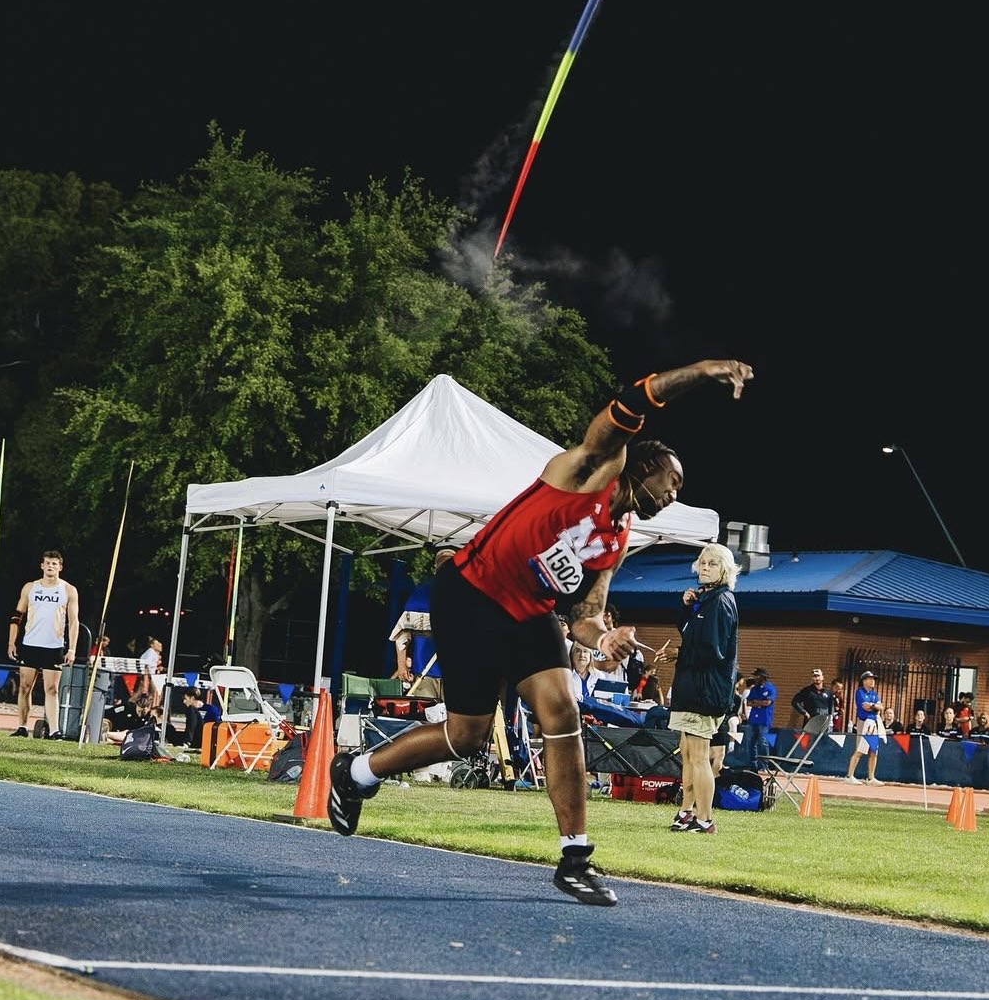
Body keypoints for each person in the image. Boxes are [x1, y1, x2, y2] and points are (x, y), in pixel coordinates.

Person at [327, 358, 754, 905]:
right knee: (467, 737)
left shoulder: (614, 542)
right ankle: (358, 770)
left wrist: (603, 640)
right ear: (641, 467)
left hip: (529, 613)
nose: (675, 492)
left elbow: (586, 615)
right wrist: (702, 371)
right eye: (671, 480)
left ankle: (575, 857)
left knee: (562, 710)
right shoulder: (590, 468)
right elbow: (636, 398)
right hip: (473, 594)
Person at [667, 543, 741, 835]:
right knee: (687, 753)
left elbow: (712, 651)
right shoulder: (706, 600)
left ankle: (705, 819)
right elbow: (691, 635)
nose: (705, 567)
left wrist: (678, 654)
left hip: (705, 691)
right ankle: (686, 812)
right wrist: (686, 609)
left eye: (712, 563)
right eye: (702, 562)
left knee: (699, 757)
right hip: (691, 687)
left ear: (724, 569)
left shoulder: (721, 602)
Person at [7, 549, 80, 740]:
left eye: (54, 563)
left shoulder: (68, 590)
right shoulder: (30, 587)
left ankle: (55, 731)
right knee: (24, 687)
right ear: (42, 566)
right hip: (30, 643)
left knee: (52, 689)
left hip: (54, 646)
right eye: (47, 563)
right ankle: (22, 727)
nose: (50, 566)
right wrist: (11, 642)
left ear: (60, 567)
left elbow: (74, 622)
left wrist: (72, 649)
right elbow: (16, 616)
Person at [843, 670, 884, 784]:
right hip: (864, 722)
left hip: (873, 723)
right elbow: (865, 707)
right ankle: (849, 776)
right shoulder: (859, 692)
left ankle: (871, 778)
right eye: (870, 679)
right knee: (860, 750)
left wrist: (873, 706)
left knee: (873, 751)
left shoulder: (874, 693)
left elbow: (880, 707)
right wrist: (874, 706)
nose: (873, 681)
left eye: (873, 679)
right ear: (864, 680)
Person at [741, 666, 777, 774]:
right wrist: (760, 703)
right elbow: (748, 702)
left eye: (757, 676)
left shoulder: (770, 688)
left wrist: (757, 702)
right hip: (753, 719)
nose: (755, 678)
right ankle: (753, 765)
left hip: (764, 720)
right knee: (751, 742)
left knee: (763, 742)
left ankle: (764, 765)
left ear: (762, 677)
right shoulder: (754, 689)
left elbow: (768, 703)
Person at [139, 636, 164, 711]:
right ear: (152, 645)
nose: (160, 646)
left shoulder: (155, 653)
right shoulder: (150, 652)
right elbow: (147, 664)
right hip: (149, 677)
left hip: (153, 677)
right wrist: (156, 667)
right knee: (150, 694)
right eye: (157, 644)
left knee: (154, 694)